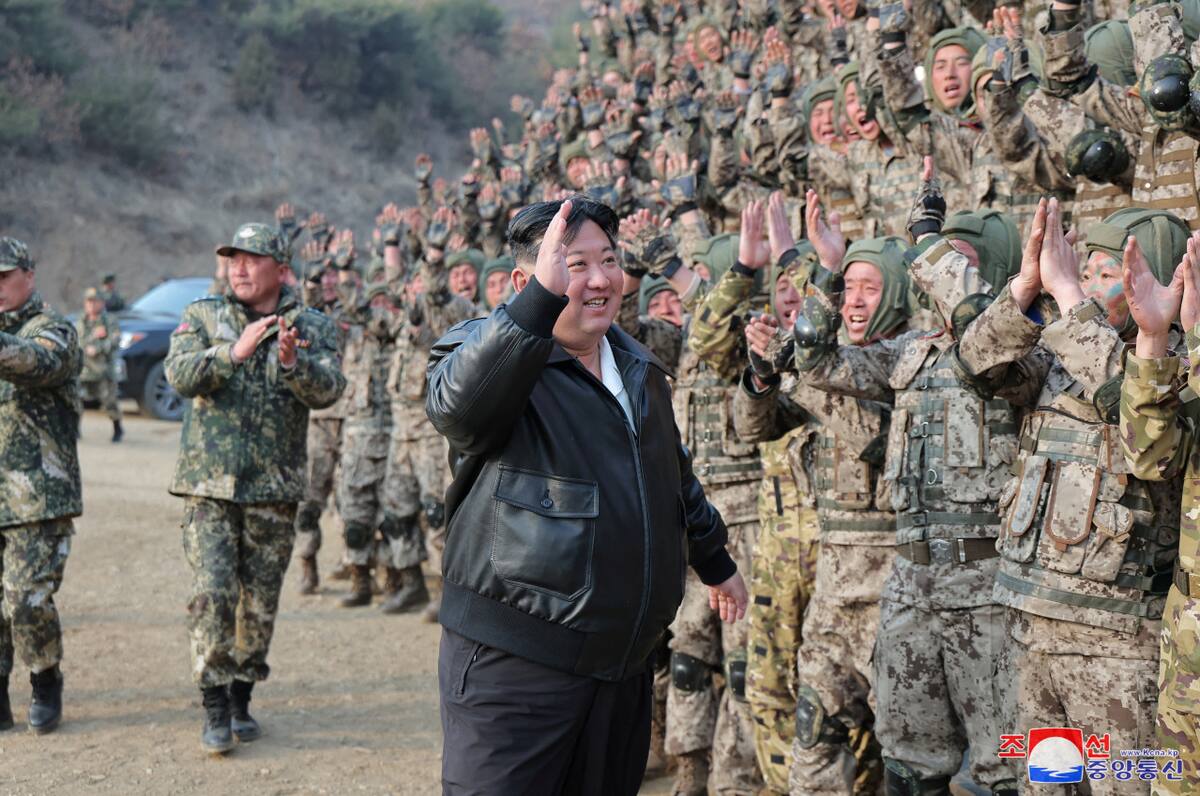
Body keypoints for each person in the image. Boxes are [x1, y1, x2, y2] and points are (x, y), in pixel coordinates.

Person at [426, 198, 748, 793]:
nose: (600, 280)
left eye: (609, 260)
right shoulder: (487, 350)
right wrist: (532, 312)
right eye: (575, 264)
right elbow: (457, 411)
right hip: (516, 666)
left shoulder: (636, 365)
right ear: (530, 280)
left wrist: (714, 560)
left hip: (621, 665)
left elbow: (670, 474)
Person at [165, 222, 344, 755]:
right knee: (213, 593)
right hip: (209, 486)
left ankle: (242, 694)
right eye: (232, 258)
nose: (238, 268)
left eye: (252, 258)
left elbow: (330, 388)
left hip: (274, 488)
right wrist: (232, 354)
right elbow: (178, 374)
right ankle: (215, 701)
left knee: (259, 603)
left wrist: (292, 363)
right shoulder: (201, 315)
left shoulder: (311, 324)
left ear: (281, 269)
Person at [0, 237, 81, 735]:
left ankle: (45, 677)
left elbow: (39, 361)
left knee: (25, 598)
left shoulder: (53, 329)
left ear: (29, 276)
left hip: (36, 495)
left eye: (4, 277)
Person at [76, 286, 124, 443]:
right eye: (88, 302)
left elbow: (115, 340)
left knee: (109, 402)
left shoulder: (109, 321)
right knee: (75, 400)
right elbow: (76, 342)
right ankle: (75, 430)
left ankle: (117, 428)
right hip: (83, 369)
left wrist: (98, 348)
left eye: (94, 302)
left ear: (101, 303)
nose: (91, 305)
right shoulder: (80, 321)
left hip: (103, 369)